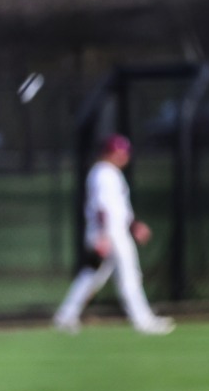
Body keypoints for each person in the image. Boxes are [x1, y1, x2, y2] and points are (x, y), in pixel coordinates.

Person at [53, 135, 174, 335]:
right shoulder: (103, 173)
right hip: (110, 234)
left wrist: (134, 226)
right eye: (120, 152)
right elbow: (102, 208)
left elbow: (119, 209)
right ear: (110, 153)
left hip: (111, 232)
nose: (124, 156)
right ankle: (143, 321)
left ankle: (65, 316)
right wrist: (103, 236)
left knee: (92, 276)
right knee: (129, 276)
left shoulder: (109, 173)